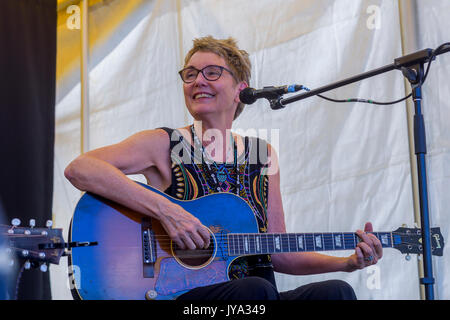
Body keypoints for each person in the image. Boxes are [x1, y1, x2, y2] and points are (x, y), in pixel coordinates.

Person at [64, 36, 383, 300]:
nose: (198, 80)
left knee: (336, 294)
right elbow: (82, 168)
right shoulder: (165, 143)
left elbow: (280, 251)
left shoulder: (263, 155)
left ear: (240, 89)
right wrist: (167, 212)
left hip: (256, 298)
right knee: (255, 291)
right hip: (183, 297)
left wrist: (347, 263)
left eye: (212, 72)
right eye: (190, 74)